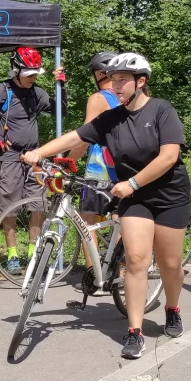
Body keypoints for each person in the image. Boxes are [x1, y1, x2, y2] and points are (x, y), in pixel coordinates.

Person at [22, 52, 190, 359]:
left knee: (170, 265)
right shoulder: (112, 119)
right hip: (134, 199)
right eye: (113, 80)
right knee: (137, 260)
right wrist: (38, 152)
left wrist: (134, 182)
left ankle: (172, 307)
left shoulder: (162, 111)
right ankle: (135, 331)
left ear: (141, 82)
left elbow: (169, 157)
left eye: (123, 80)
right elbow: (74, 136)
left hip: (168, 196)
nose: (116, 86)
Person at [0, 47, 67, 274]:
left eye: (36, 74)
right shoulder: (1, 91)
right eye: (29, 74)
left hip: (34, 157)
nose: (33, 78)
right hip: (9, 157)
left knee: (38, 204)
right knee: (9, 206)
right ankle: (12, 256)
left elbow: (60, 111)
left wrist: (62, 86)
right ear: (16, 71)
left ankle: (33, 252)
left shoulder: (37, 93)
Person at [69, 52, 119, 278]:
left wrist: (70, 160)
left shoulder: (98, 99)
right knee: (120, 221)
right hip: (124, 169)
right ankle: (120, 273)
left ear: (99, 74)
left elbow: (85, 137)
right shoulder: (128, 97)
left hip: (99, 170)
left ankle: (94, 275)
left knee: (87, 221)